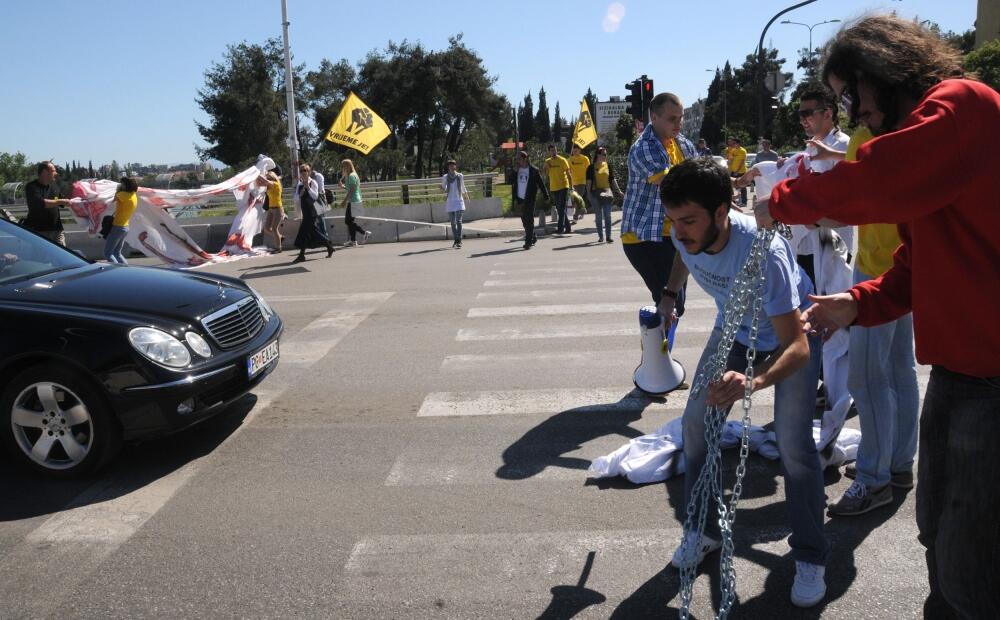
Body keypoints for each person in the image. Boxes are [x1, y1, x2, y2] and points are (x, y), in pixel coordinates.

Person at [761, 15, 1000, 618]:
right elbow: (916, 267)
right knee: (939, 534)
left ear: (883, 72)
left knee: (972, 556)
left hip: (992, 379)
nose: (853, 112)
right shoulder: (933, 144)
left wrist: (784, 203)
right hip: (958, 373)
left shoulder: (963, 104)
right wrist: (858, 304)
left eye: (851, 95)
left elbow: (882, 181)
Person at [660, 158, 828, 608]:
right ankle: (704, 532)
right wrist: (670, 294)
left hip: (789, 335)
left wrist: (753, 382)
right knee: (696, 425)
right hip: (732, 328)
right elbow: (682, 252)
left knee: (794, 445)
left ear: (721, 213)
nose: (679, 231)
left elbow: (798, 346)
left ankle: (812, 554)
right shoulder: (690, 232)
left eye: (689, 221)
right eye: (672, 220)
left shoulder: (762, 251)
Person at [801, 126, 919, 518]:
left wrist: (793, 206)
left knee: (866, 379)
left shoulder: (876, 122)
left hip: (878, 268)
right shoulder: (899, 120)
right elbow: (861, 169)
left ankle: (873, 479)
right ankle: (898, 466)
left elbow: (856, 192)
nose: (850, 103)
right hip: (898, 263)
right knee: (899, 371)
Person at [620, 92, 695, 320]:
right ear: (654, 117)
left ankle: (658, 355)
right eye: (672, 119)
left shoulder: (683, 145)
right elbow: (672, 181)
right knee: (670, 302)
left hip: (674, 234)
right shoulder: (643, 147)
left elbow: (698, 173)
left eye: (681, 118)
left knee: (674, 306)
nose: (678, 124)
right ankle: (654, 355)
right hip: (644, 238)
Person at [292, 163, 334, 263]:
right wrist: (300, 193)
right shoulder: (299, 184)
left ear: (309, 172)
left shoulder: (313, 182)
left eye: (305, 171)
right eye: (301, 171)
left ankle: (302, 255)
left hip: (311, 211)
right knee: (311, 231)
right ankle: (328, 245)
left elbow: (315, 196)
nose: (303, 173)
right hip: (305, 211)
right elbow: (296, 198)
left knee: (305, 232)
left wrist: (308, 188)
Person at [24, 161, 71, 246]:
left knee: (61, 256)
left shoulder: (54, 186)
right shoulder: (32, 187)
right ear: (45, 172)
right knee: (41, 257)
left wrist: (76, 191)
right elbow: (41, 203)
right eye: (53, 171)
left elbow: (64, 201)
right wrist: (60, 201)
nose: (56, 173)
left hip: (57, 230)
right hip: (39, 231)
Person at [586, 146, 623, 243]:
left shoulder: (608, 166)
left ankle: (608, 236)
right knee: (598, 216)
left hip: (607, 193)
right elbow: (588, 182)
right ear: (598, 155)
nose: (605, 156)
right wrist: (589, 195)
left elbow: (612, 179)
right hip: (595, 194)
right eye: (604, 154)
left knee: (607, 215)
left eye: (606, 154)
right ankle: (600, 236)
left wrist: (618, 191)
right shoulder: (591, 167)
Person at [513, 151, 549, 250]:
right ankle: (532, 235)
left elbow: (541, 183)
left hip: (530, 198)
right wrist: (514, 172)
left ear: (525, 159)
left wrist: (546, 195)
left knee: (529, 219)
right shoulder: (517, 170)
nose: (517, 161)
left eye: (519, 158)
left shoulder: (533, 170)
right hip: (520, 199)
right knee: (524, 220)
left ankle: (528, 242)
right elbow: (510, 181)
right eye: (516, 159)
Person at [104, 177, 138, 265]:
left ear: (126, 185)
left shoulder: (123, 195)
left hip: (117, 227)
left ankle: (117, 272)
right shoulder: (133, 195)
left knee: (108, 253)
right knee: (117, 253)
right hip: (125, 227)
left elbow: (109, 200)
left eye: (122, 184)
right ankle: (127, 272)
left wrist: (118, 190)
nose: (121, 185)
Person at [542, 144, 573, 234]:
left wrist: (571, 186)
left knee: (561, 207)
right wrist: (545, 168)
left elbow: (568, 173)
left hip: (564, 186)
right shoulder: (547, 161)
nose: (554, 152)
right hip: (554, 187)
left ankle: (560, 228)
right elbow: (545, 174)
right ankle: (568, 228)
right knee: (560, 209)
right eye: (552, 150)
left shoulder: (563, 160)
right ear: (549, 152)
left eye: (555, 150)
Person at [340, 159, 370, 247]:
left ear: (348, 166)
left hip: (354, 201)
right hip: (355, 200)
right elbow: (352, 188)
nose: (343, 168)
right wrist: (343, 186)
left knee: (348, 221)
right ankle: (353, 241)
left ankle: (364, 232)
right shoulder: (352, 175)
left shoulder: (352, 176)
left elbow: (352, 190)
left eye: (343, 166)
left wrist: (344, 201)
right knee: (350, 221)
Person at [441, 159, 470, 249]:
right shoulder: (445, 177)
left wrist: (466, 196)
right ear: (448, 167)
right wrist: (442, 188)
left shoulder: (460, 176)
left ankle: (459, 240)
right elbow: (444, 187)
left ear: (455, 166)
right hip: (450, 201)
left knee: (459, 221)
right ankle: (456, 240)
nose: (451, 166)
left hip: (458, 200)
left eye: (453, 164)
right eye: (450, 165)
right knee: (453, 223)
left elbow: (462, 186)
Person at [260, 166, 284, 252]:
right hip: (271, 209)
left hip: (278, 208)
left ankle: (278, 247)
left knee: (274, 228)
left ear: (273, 178)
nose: (268, 180)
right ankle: (280, 237)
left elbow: (265, 181)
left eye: (270, 178)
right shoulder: (269, 185)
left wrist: (257, 173)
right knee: (266, 228)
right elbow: (260, 183)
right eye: (268, 178)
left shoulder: (276, 184)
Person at [568, 145, 591, 221]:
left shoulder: (585, 159)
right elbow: (568, 171)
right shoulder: (570, 160)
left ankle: (575, 216)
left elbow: (589, 170)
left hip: (582, 182)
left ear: (580, 150)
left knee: (578, 198)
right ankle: (583, 209)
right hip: (573, 183)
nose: (575, 152)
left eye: (576, 151)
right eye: (573, 151)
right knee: (575, 200)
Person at [725, 137, 748, 205]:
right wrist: (729, 162)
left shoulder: (743, 150)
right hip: (733, 171)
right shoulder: (733, 150)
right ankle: (735, 200)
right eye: (734, 143)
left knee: (742, 186)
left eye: (735, 143)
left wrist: (737, 171)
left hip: (741, 171)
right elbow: (731, 159)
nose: (734, 144)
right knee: (733, 185)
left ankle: (744, 201)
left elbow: (742, 162)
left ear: (739, 143)